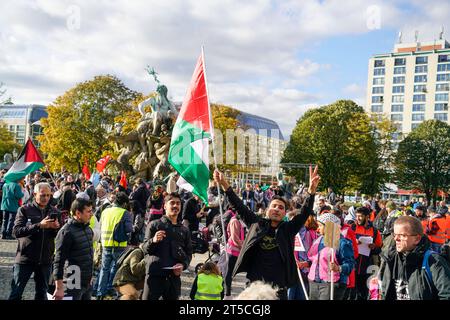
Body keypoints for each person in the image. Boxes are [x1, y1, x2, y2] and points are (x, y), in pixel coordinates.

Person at [213, 165, 320, 300]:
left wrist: (311, 191)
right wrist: (224, 183)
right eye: (273, 206)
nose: (276, 209)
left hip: (278, 290)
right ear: (267, 209)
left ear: (284, 213)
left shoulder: (288, 229)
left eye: (281, 207)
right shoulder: (256, 223)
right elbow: (238, 205)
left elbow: (304, 213)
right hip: (254, 288)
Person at [9, 182, 60, 300]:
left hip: (45, 260)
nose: (46, 198)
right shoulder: (25, 210)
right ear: (35, 194)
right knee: (16, 293)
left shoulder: (54, 211)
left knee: (42, 294)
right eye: (43, 195)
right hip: (25, 259)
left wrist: (56, 229)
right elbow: (16, 232)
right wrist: (39, 225)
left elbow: (57, 237)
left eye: (48, 195)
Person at [378, 216, 450, 300]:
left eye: (402, 235)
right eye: (394, 234)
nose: (396, 239)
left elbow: (446, 294)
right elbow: (384, 291)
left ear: (417, 239)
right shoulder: (390, 258)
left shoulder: (434, 261)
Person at [142, 192, 192, 300]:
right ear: (165, 206)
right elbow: (144, 249)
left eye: (178, 203)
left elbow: (188, 254)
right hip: (154, 276)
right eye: (172, 203)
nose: (175, 206)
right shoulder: (154, 225)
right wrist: (153, 240)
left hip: (173, 278)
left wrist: (183, 265)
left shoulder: (184, 230)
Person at [52, 198, 94, 300]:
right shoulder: (66, 232)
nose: (91, 214)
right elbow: (58, 261)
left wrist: (90, 276)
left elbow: (88, 255)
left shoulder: (88, 229)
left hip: (86, 282)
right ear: (78, 213)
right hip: (72, 282)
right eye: (88, 211)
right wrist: (59, 287)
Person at [307, 213, 355, 300]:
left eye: (320, 226)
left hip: (332, 283)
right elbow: (314, 260)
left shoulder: (342, 243)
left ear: (329, 226)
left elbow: (350, 264)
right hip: (314, 282)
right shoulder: (318, 240)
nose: (318, 229)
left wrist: (338, 268)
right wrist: (305, 264)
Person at [96, 192, 133, 299]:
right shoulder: (125, 213)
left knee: (104, 268)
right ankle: (110, 289)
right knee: (115, 268)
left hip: (105, 243)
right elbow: (129, 229)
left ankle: (100, 293)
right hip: (119, 244)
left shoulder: (105, 211)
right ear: (125, 203)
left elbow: (101, 225)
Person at [352, 206, 383, 300]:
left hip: (367, 266)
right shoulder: (352, 228)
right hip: (353, 265)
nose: (358, 218)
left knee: (363, 292)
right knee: (352, 292)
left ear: (367, 217)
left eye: (360, 216)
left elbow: (380, 249)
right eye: (356, 216)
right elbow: (344, 244)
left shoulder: (374, 231)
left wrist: (374, 247)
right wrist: (354, 242)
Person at [288, 215, 318, 300]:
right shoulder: (289, 233)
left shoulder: (311, 234)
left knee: (301, 294)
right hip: (292, 270)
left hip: (304, 271)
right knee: (290, 294)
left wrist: (307, 263)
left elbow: (315, 254)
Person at [224, 208, 245, 299]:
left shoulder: (237, 220)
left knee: (230, 272)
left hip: (235, 250)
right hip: (234, 251)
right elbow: (235, 238)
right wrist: (243, 247)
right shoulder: (235, 221)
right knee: (229, 272)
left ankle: (227, 293)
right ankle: (227, 294)